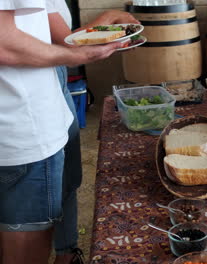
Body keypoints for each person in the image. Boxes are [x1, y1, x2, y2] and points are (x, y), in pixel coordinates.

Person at [0, 1, 123, 264]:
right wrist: (81, 58)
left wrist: (105, 24)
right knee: (25, 247)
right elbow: (4, 43)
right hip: (21, 126)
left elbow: (63, 37)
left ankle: (67, 253)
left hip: (27, 117)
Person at [45, 2, 139, 263]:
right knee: (54, 186)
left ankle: (67, 251)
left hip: (55, 82)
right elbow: (70, 44)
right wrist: (106, 19)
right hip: (41, 93)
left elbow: (61, 38)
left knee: (69, 177)